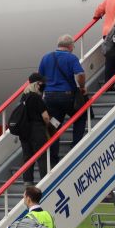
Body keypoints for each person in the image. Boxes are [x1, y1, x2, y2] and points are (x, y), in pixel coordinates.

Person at [38, 34, 88, 164]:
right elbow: (80, 74)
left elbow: (40, 79)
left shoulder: (46, 57)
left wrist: (42, 94)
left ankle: (53, 158)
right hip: (67, 97)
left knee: (54, 125)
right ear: (70, 46)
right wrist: (82, 87)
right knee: (80, 116)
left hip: (50, 98)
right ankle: (75, 146)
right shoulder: (71, 58)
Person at [17, 73, 53, 183]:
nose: (43, 85)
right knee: (42, 157)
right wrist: (50, 126)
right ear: (37, 84)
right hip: (37, 130)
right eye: (41, 83)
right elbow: (45, 117)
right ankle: (45, 182)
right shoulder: (36, 98)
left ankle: (28, 183)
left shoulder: (23, 98)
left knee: (27, 157)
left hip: (24, 131)